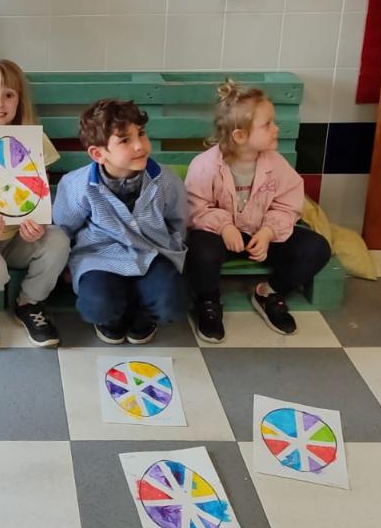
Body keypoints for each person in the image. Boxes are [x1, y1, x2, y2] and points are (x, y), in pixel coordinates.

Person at [183, 81, 331, 343]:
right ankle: (208, 301)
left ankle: (270, 292)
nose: (276, 128)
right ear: (240, 136)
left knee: (317, 247)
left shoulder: (277, 164)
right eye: (268, 124)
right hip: (219, 237)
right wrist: (224, 227)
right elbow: (195, 207)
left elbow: (287, 204)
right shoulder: (205, 166)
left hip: (260, 236)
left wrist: (268, 231)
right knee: (198, 250)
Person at [53, 99, 187, 344]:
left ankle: (143, 316)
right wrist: (66, 267)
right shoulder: (76, 185)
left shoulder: (166, 181)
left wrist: (172, 260)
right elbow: (63, 229)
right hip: (99, 257)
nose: (139, 145)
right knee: (98, 305)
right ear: (98, 154)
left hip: (153, 254)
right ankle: (111, 320)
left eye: (141, 134)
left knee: (173, 303)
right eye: (125, 140)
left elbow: (177, 223)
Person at [0, 59, 68, 347]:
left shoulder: (35, 141)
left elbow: (39, 192)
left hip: (20, 239)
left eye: (9, 95)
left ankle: (30, 302)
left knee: (58, 240)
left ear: (19, 101)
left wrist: (38, 225)